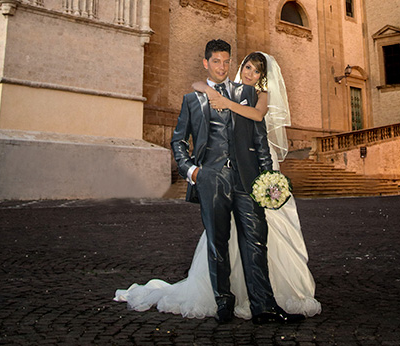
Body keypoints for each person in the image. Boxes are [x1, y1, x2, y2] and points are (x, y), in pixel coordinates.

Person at [114, 44, 320, 321]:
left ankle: (264, 307)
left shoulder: (248, 93)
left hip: (248, 181)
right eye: (216, 61)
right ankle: (223, 303)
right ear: (206, 62)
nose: (222, 67)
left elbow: (259, 139)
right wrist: (192, 172)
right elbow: (178, 141)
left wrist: (269, 175)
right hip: (212, 180)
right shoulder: (192, 100)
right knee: (218, 243)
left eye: (226, 62)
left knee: (257, 242)